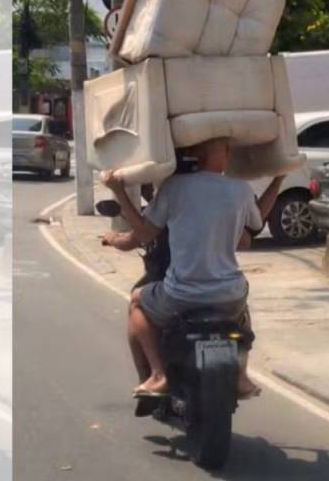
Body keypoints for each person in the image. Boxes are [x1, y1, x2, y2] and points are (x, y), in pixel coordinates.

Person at [100, 137, 285, 400]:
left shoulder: (174, 188)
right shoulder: (240, 189)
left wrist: (118, 191)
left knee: (137, 302)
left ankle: (158, 375)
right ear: (228, 153)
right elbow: (254, 227)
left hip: (181, 295)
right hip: (229, 293)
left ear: (195, 153)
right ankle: (241, 375)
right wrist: (278, 180)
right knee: (241, 307)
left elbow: (141, 234)